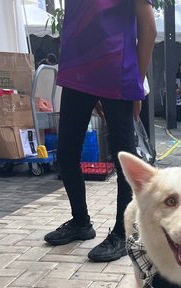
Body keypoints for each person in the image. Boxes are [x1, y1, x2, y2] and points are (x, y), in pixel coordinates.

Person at [44, 0, 156, 262]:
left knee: (124, 160)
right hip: (77, 74)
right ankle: (81, 222)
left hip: (117, 75)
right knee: (67, 153)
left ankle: (122, 233)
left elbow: (148, 29)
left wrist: (136, 84)